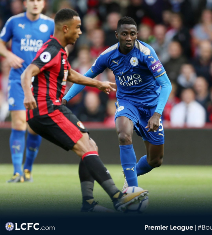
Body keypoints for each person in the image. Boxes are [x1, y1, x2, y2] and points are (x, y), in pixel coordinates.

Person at [21, 8, 148, 212]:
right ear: (65, 28)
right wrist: (27, 95)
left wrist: (97, 84)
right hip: (47, 109)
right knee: (86, 147)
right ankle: (117, 197)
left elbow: (69, 74)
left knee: (91, 146)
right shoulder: (51, 49)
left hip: (51, 109)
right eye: (77, 27)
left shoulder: (61, 51)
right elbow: (29, 71)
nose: (80, 32)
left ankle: (88, 204)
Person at [63, 16, 172, 190]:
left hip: (151, 107)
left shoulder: (146, 52)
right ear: (117, 35)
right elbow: (86, 78)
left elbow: (166, 85)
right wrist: (65, 99)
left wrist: (157, 114)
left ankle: (131, 174)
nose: (129, 38)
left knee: (155, 160)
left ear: (136, 35)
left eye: (132, 34)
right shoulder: (108, 55)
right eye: (124, 34)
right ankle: (132, 190)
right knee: (123, 134)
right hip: (127, 103)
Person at [0, 0, 54, 183]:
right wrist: (8, 55)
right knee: (19, 123)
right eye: (31, 0)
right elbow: (1, 43)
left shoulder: (50, 24)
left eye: (39, 0)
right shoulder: (13, 22)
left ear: (44, 3)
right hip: (17, 80)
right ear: (25, 3)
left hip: (40, 82)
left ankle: (27, 169)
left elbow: (61, 49)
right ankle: (17, 172)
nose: (35, 3)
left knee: (34, 127)